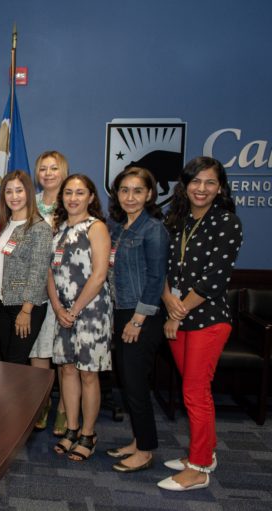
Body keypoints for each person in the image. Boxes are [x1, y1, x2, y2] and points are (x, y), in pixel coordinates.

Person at [157, 157, 242, 491]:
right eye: (196, 181)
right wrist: (168, 302)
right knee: (193, 390)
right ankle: (205, 452)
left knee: (195, 392)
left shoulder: (227, 222)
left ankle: (199, 468)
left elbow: (215, 278)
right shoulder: (176, 220)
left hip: (208, 319)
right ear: (185, 185)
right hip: (177, 316)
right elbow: (163, 268)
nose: (201, 188)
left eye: (210, 182)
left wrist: (176, 313)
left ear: (220, 188)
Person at [104, 166, 169, 473]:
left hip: (142, 315)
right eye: (124, 190)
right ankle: (138, 440)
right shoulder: (118, 228)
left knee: (136, 384)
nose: (130, 197)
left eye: (138, 191)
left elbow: (157, 279)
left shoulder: (153, 229)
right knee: (129, 383)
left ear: (150, 194)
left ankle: (145, 451)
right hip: (121, 311)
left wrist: (138, 320)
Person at [49, 174, 112, 462]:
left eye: (80, 193)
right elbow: (49, 272)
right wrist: (58, 309)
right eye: (68, 193)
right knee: (67, 370)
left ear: (91, 197)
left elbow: (99, 275)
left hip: (91, 313)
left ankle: (88, 434)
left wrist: (73, 311)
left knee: (88, 373)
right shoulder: (59, 228)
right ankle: (72, 429)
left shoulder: (95, 227)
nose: (73, 198)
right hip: (63, 313)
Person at [0, 171, 53, 365]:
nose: (14, 196)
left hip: (24, 306)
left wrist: (26, 311)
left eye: (19, 190)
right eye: (9, 191)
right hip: (3, 303)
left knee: (15, 364)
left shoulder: (39, 228)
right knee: (7, 363)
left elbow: (38, 272)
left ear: (29, 193)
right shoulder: (6, 224)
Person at [30, 150, 70, 433]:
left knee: (65, 353)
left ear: (63, 171)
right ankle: (40, 404)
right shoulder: (29, 203)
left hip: (67, 286)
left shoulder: (72, 201)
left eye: (53, 168)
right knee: (39, 348)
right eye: (43, 168)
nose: (48, 173)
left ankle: (65, 409)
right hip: (36, 286)